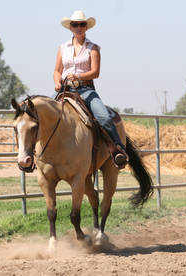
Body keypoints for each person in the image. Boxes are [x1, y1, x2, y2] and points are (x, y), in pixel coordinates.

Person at [53, 10, 128, 169]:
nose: (78, 27)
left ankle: (118, 149)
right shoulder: (62, 47)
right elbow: (57, 70)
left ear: (86, 27)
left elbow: (96, 72)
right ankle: (40, 154)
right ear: (70, 27)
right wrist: (57, 83)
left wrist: (79, 77)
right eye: (75, 24)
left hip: (85, 90)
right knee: (44, 114)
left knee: (104, 117)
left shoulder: (93, 48)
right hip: (64, 88)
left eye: (81, 24)